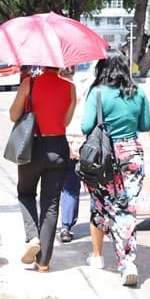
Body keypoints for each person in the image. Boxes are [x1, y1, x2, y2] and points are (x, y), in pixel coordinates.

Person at [81, 51, 150, 286]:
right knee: (126, 208)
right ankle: (119, 259)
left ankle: (112, 259)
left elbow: (86, 125)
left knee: (102, 203)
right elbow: (145, 125)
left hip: (105, 158)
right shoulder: (138, 92)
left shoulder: (98, 92)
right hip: (132, 155)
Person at [9, 66, 76, 272]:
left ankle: (32, 236)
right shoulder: (70, 87)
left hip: (32, 148)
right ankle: (44, 263)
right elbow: (65, 121)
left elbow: (14, 115)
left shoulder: (30, 83)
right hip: (58, 148)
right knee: (51, 204)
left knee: (25, 193)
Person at [59, 65, 81, 243]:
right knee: (71, 187)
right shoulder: (83, 89)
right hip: (79, 145)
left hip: (56, 143)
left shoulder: (50, 88)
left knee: (59, 187)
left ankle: (57, 226)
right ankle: (66, 226)